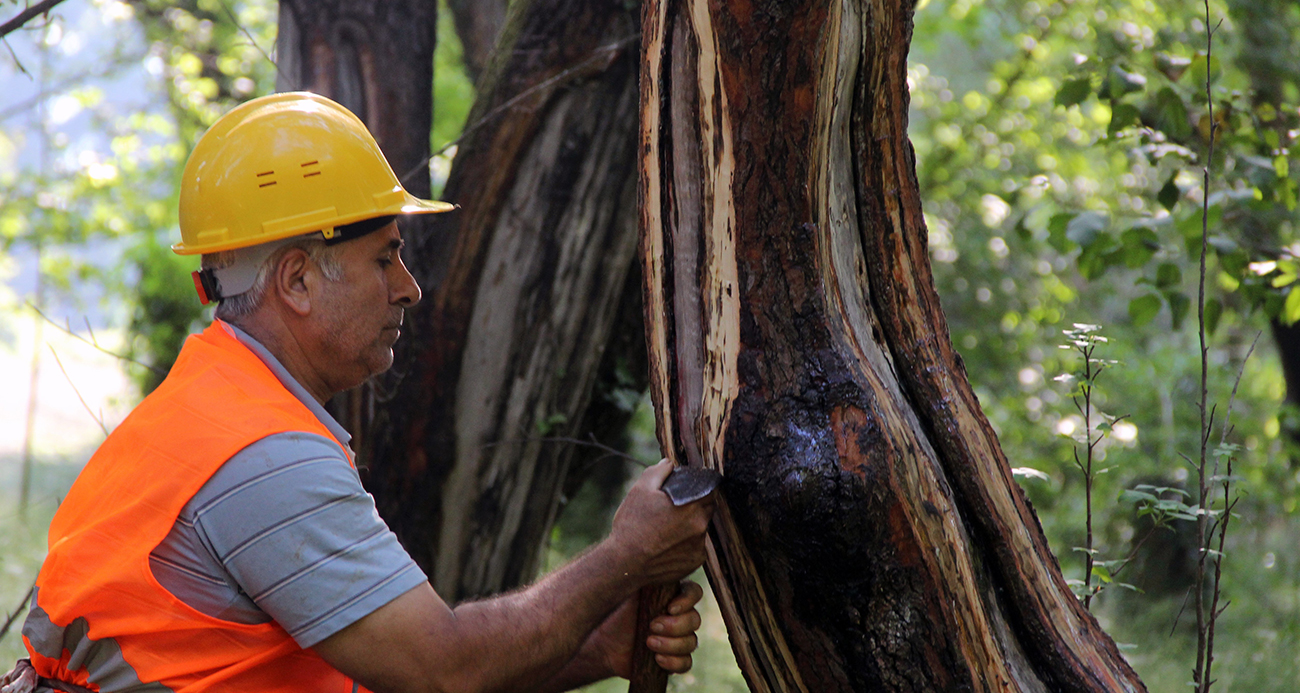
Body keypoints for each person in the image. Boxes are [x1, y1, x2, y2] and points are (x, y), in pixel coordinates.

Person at [7, 92, 714, 693]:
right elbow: (443, 667)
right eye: (385, 257)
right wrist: (628, 555)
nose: (409, 287)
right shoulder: (264, 458)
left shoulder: (206, 405)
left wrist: (594, 648)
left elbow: (384, 668)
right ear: (296, 281)